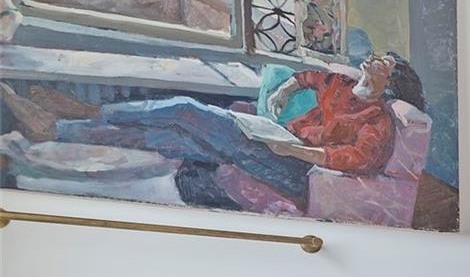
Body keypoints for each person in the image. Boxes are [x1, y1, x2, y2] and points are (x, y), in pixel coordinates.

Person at [50, 53, 425, 205]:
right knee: (176, 139)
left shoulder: (377, 120)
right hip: (275, 141)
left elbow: (357, 159)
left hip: (296, 168)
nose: (375, 57)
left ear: (390, 81)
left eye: (385, 62)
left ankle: (93, 111)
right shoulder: (341, 84)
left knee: (184, 110)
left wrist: (294, 151)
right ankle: (62, 127)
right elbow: (309, 77)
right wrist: (284, 89)